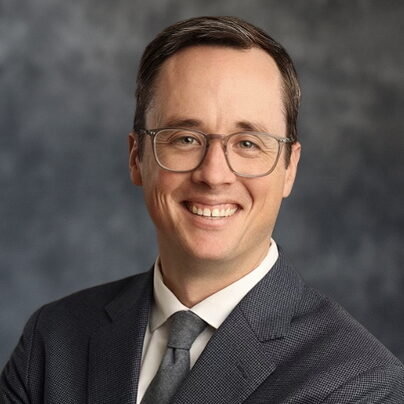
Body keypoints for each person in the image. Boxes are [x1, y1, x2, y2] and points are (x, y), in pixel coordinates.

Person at [1, 16, 403, 404]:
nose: (213, 175)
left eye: (247, 143)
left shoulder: (359, 383)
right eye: (185, 138)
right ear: (136, 157)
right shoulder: (53, 340)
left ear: (289, 169)